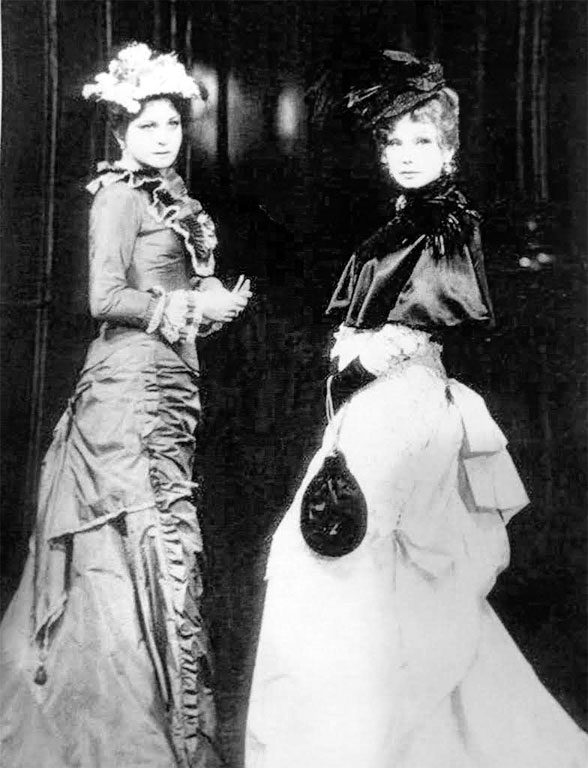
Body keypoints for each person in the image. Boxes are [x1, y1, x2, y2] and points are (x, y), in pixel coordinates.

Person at [245, 51, 588, 768]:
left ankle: (364, 744)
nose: (406, 154)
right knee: (359, 564)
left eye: (423, 140)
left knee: (355, 560)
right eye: (395, 141)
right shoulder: (408, 217)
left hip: (404, 408)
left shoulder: (446, 220)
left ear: (449, 149)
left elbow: (430, 317)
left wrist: (370, 354)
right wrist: (353, 355)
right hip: (378, 405)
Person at [0, 42, 251, 768]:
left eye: (171, 124)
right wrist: (193, 305)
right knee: (129, 538)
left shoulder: (167, 195)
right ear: (120, 131)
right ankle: (121, 736)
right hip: (128, 389)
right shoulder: (117, 197)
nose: (162, 137)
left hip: (168, 382)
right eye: (147, 126)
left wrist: (207, 298)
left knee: (155, 534)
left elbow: (168, 285)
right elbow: (104, 298)